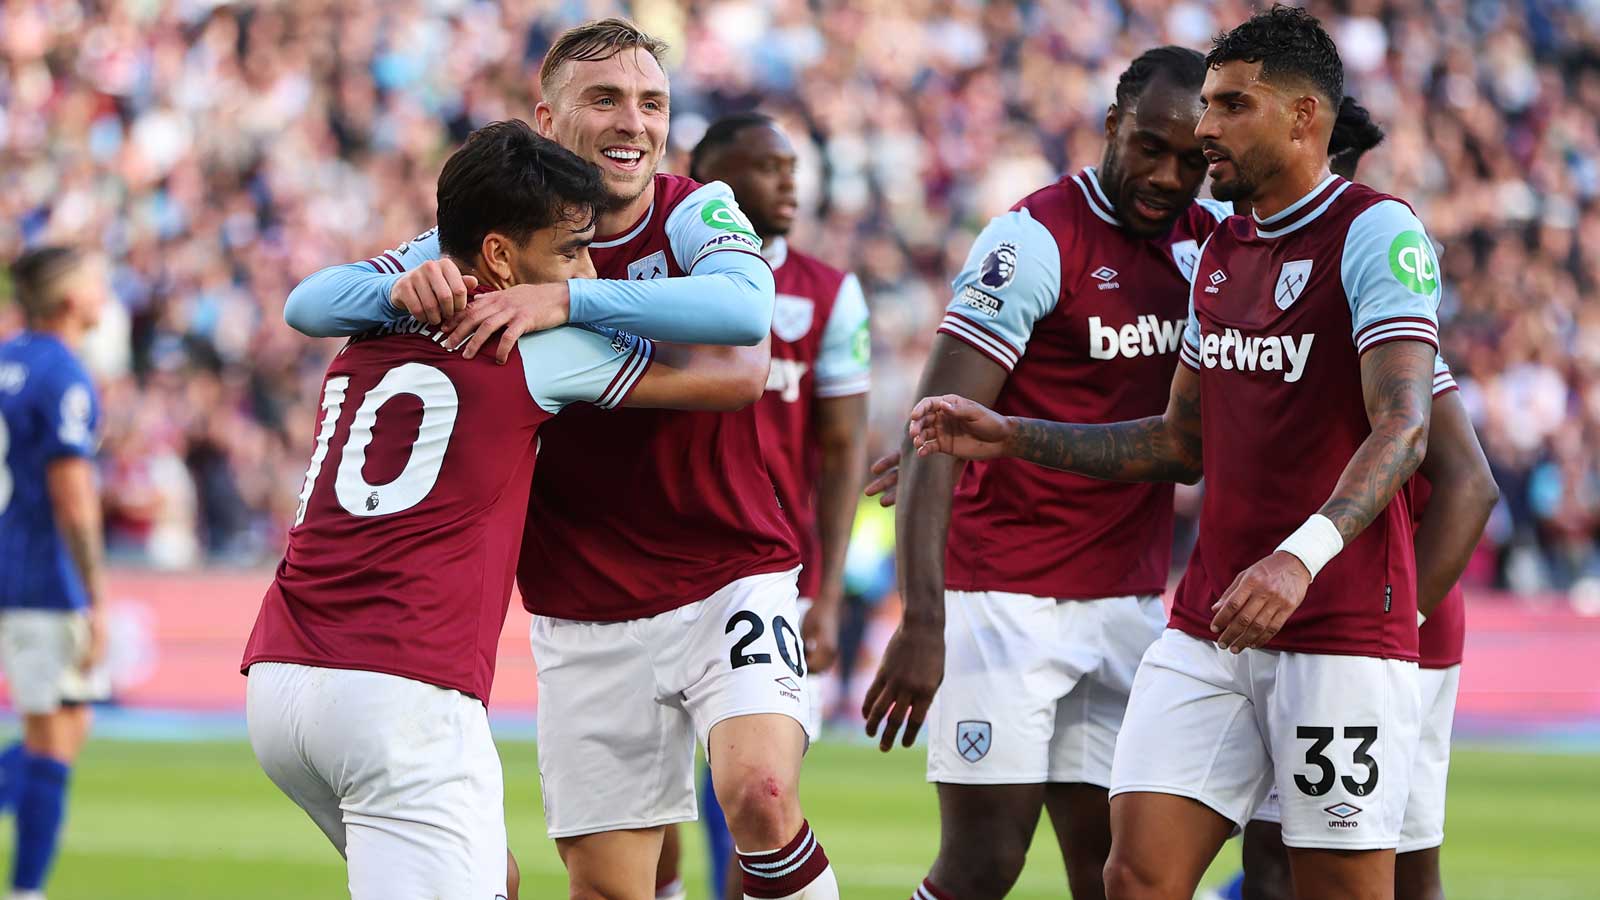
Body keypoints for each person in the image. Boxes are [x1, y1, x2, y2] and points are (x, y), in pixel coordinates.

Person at [283, 19, 840, 900]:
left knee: (762, 794)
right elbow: (309, 304)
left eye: (652, 103)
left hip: (726, 570)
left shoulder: (696, 209)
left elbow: (744, 311)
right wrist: (395, 286)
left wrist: (565, 298)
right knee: (614, 885)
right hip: (584, 602)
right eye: (606, 100)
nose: (634, 124)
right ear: (548, 118)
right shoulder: (493, 232)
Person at [904, 7, 1445, 898]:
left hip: (1338, 627)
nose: (1204, 129)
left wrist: (1296, 562)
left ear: (1303, 117)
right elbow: (1174, 441)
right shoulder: (1220, 251)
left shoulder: (1378, 233)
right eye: (1204, 108)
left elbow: (1407, 427)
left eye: (1230, 106)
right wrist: (1012, 437)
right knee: (1133, 876)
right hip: (1206, 624)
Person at [859, 46, 1227, 900]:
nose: (1168, 177)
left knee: (1120, 873)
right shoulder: (1032, 239)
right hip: (1002, 602)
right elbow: (934, 428)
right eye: (1149, 147)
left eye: (1192, 161)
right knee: (984, 863)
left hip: (1129, 603)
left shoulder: (1210, 251)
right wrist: (923, 619)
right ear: (1111, 126)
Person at [1226, 99, 1497, 900]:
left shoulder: (1369, 290)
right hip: (1311, 610)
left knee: (1381, 865)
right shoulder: (1254, 276)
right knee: (1280, 853)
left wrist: (1396, 627)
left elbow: (1471, 483)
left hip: (1379, 622)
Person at [653, 112, 872, 900]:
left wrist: (828, 587)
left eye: (795, 168)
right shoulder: (659, 277)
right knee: (648, 804)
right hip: (655, 564)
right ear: (708, 177)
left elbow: (844, 449)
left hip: (767, 572)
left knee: (756, 788)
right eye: (769, 166)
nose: (790, 183)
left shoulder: (829, 294)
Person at [0, 246, 110, 900]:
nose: (104, 293)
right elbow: (72, 494)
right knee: (51, 734)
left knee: (70, 724)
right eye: (96, 283)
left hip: (13, 563)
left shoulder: (6, 361)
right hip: (42, 575)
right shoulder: (63, 375)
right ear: (71, 300)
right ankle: (27, 891)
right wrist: (95, 594)